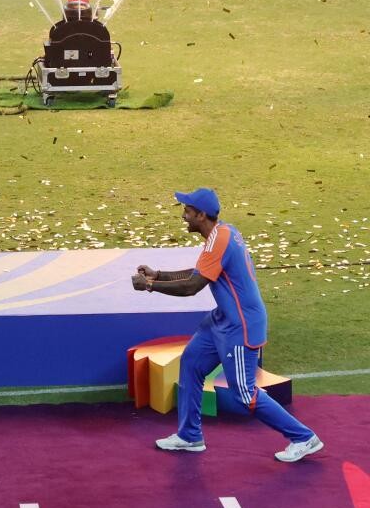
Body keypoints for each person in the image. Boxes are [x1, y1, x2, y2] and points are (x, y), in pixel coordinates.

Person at [137, 188, 323, 463]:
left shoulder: (219, 239)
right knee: (191, 362)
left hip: (240, 326)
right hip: (221, 320)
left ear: (201, 215)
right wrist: (159, 275)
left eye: (187, 211)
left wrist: (150, 286)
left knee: (244, 393)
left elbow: (191, 287)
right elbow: (199, 273)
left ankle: (303, 437)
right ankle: (190, 436)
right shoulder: (221, 233)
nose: (183, 216)